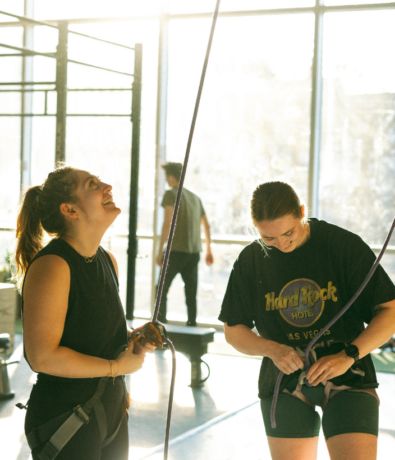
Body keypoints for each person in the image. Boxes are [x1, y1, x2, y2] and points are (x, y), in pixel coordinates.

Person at [218, 181, 395, 460]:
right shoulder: (251, 260)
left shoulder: (341, 246)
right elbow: (233, 330)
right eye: (269, 239)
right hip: (284, 377)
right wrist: (272, 350)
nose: (283, 244)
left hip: (347, 370)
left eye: (289, 232)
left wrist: (349, 354)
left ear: (302, 211)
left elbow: (390, 311)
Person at [15, 166, 154, 460]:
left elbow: (94, 335)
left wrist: (133, 339)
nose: (107, 186)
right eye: (93, 184)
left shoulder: (107, 260)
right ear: (70, 209)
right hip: (66, 416)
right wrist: (117, 368)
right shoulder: (53, 266)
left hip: (110, 412)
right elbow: (42, 357)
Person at [156, 162, 213, 326]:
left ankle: (159, 330)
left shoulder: (170, 194)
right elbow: (207, 226)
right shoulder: (195, 198)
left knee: (161, 290)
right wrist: (209, 250)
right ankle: (192, 326)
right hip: (194, 252)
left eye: (167, 177)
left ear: (171, 177)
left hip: (175, 251)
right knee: (190, 293)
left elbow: (167, 224)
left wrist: (160, 251)